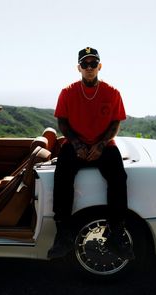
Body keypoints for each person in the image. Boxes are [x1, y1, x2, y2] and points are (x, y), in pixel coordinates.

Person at [47, 47, 133, 259]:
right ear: (79, 68)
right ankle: (63, 234)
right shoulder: (67, 92)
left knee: (119, 178)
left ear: (99, 66)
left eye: (93, 63)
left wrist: (102, 144)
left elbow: (115, 123)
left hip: (103, 145)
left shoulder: (112, 93)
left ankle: (115, 232)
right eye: (85, 64)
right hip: (76, 144)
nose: (89, 67)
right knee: (62, 176)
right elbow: (62, 122)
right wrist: (76, 144)